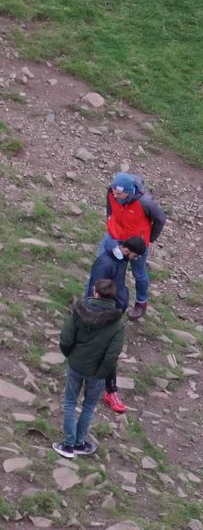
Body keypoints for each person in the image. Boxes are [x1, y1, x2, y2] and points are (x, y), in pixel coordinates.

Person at [55, 277, 127, 459]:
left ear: (95, 292)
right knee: (88, 406)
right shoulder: (118, 324)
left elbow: (66, 338)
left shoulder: (79, 312)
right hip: (97, 373)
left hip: (76, 365)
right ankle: (79, 443)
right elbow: (112, 354)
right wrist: (102, 372)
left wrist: (70, 355)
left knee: (70, 403)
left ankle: (68, 445)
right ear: (112, 298)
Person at [84, 235, 149, 413]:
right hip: (103, 315)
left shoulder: (120, 259)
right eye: (135, 256)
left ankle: (105, 387)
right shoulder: (105, 263)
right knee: (108, 352)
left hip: (114, 312)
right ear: (127, 250)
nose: (134, 260)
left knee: (107, 351)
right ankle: (109, 391)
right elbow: (95, 291)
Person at [99, 174, 166, 321]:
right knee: (115, 271)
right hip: (118, 239)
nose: (115, 195)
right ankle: (109, 301)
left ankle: (141, 303)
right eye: (114, 191)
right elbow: (110, 210)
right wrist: (111, 224)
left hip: (137, 245)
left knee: (139, 273)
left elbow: (161, 218)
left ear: (130, 192)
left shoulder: (145, 203)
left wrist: (151, 239)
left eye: (120, 193)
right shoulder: (111, 192)